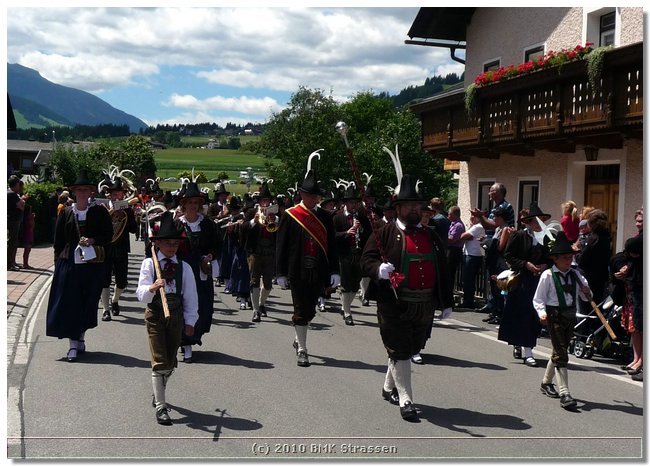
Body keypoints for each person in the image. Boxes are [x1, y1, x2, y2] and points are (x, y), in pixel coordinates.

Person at [360, 173, 453, 422]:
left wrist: (446, 301)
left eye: (417, 205)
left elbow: (443, 269)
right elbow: (366, 260)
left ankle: (388, 387)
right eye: (409, 205)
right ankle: (406, 400)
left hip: (424, 304)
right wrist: (378, 269)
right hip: (394, 303)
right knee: (400, 350)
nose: (414, 209)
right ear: (398, 208)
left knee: (410, 348)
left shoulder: (431, 236)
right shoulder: (384, 233)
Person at [275, 151, 340, 367]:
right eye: (309, 195)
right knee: (301, 310)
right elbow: (282, 245)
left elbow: (332, 245)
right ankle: (303, 349)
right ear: (301, 194)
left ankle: (298, 337)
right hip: (297, 270)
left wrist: (335, 270)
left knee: (310, 310)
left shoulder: (325, 217)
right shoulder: (290, 215)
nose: (313, 199)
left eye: (316, 196)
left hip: (318, 270)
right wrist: (280, 272)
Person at [136, 211, 199, 425]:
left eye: (175, 243)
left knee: (170, 362)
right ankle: (161, 407)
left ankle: (158, 392)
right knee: (160, 361)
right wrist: (152, 288)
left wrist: (190, 322)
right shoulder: (149, 264)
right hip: (155, 314)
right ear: (158, 243)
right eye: (167, 243)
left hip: (176, 316)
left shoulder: (185, 267)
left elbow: (190, 297)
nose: (172, 247)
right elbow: (140, 294)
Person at [46, 169, 113, 361]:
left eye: (86, 189)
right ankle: (73, 345)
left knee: (87, 303)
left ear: (91, 192)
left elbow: (108, 236)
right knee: (70, 304)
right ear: (74, 192)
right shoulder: (67, 212)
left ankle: (80, 337)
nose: (82, 193)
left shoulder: (99, 212)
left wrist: (93, 240)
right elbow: (58, 241)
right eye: (79, 190)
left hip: (92, 266)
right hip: (69, 265)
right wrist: (57, 264)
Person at [533, 231, 592, 410]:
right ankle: (565, 393)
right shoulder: (547, 275)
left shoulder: (576, 275)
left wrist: (587, 292)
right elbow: (538, 299)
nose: (569, 261)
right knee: (561, 354)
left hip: (570, 316)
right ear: (555, 259)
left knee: (560, 351)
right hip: (554, 316)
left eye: (570, 257)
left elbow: (586, 297)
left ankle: (545, 382)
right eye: (565, 258)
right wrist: (541, 313)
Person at [498, 203, 552, 367]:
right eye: (536, 221)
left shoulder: (547, 237)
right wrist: (525, 264)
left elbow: (552, 257)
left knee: (534, 315)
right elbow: (509, 255)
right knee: (521, 313)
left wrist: (545, 265)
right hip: (521, 281)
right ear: (528, 222)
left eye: (541, 221)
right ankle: (524, 348)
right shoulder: (519, 236)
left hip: (538, 281)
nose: (539, 224)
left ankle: (527, 347)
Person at [175, 179, 222, 363]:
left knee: (200, 305)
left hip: (201, 271)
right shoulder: (177, 224)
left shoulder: (208, 225)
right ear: (184, 204)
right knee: (182, 304)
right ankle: (184, 342)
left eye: (196, 202)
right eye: (190, 202)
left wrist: (211, 255)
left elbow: (218, 246)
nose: (193, 205)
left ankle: (192, 337)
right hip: (182, 269)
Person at [100, 176, 138, 321]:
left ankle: (115, 300)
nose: (117, 197)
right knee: (104, 279)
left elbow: (134, 230)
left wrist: (128, 214)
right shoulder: (102, 208)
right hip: (106, 248)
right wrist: (107, 214)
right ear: (110, 195)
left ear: (123, 195)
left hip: (121, 248)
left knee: (122, 281)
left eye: (120, 194)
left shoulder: (127, 209)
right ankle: (106, 310)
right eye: (114, 194)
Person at [332, 182, 371, 325]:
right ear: (346, 203)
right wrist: (346, 233)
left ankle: (345, 306)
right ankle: (347, 312)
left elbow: (369, 233)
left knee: (355, 285)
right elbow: (332, 236)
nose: (354, 205)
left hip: (358, 253)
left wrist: (361, 230)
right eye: (351, 202)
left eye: (355, 203)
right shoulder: (337, 217)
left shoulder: (361, 216)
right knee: (346, 284)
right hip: (344, 254)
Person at [242, 181, 279, 322]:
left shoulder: (275, 215)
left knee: (268, 284)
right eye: (263, 200)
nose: (265, 202)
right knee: (254, 281)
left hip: (269, 252)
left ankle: (262, 303)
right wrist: (254, 221)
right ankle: (255, 310)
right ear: (259, 201)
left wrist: (275, 220)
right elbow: (243, 228)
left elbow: (279, 232)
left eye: (267, 200)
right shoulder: (251, 212)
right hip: (255, 252)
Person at [613, 209, 643, 380]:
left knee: (642, 326)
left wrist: (632, 252)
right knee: (635, 326)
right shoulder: (640, 236)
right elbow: (624, 253)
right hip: (633, 287)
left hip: (642, 286)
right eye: (637, 221)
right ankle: (636, 359)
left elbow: (631, 245)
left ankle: (642, 362)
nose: (638, 224)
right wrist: (627, 263)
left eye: (641, 221)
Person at [575, 209, 611, 313]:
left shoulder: (593, 239)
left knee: (586, 308)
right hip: (601, 277)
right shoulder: (607, 236)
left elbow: (582, 260)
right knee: (597, 305)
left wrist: (576, 252)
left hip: (589, 278)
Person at [482, 207, 513, 324]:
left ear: (501, 218)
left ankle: (500, 314)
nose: (494, 218)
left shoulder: (505, 229)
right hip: (494, 260)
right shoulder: (498, 229)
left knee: (498, 288)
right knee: (493, 288)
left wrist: (488, 242)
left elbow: (500, 247)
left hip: (500, 262)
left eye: (495, 216)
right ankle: (494, 312)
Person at [460, 212, 485, 309]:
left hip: (472, 255)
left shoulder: (477, 227)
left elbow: (462, 236)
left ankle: (468, 301)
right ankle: (468, 300)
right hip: (470, 254)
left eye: (474, 216)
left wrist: (468, 236)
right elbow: (466, 237)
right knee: (468, 279)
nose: (471, 218)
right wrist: (468, 236)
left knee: (468, 280)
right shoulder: (473, 227)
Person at [8, 175, 26, 270]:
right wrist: (23, 201)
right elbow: (21, 207)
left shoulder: (7, 192)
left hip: (10, 219)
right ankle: (9, 264)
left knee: (11, 242)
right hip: (13, 220)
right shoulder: (12, 194)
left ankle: (11, 262)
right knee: (12, 242)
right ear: (16, 184)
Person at [447, 206, 465, 294]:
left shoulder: (458, 226)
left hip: (454, 251)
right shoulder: (453, 224)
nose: (448, 216)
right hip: (451, 249)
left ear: (454, 215)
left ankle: (449, 293)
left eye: (449, 214)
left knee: (450, 273)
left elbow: (451, 240)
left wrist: (442, 238)